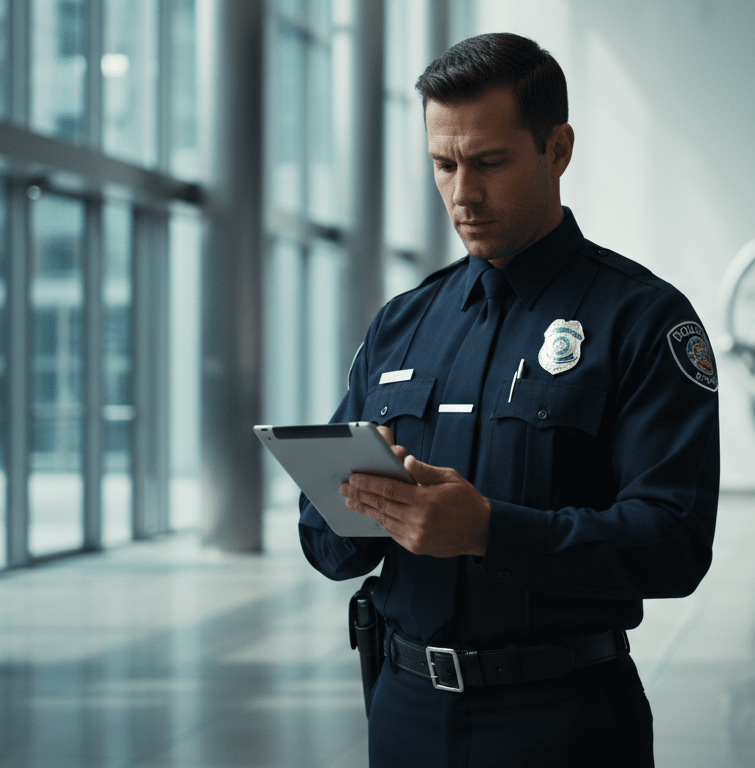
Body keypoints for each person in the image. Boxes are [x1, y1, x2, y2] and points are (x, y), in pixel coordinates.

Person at [298, 32, 719, 768]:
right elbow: (324, 541)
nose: (463, 193)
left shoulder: (643, 320)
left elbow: (674, 544)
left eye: (489, 162)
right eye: (443, 164)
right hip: (404, 711)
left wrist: (491, 529)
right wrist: (369, 508)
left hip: (563, 720)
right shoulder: (402, 322)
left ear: (557, 149)